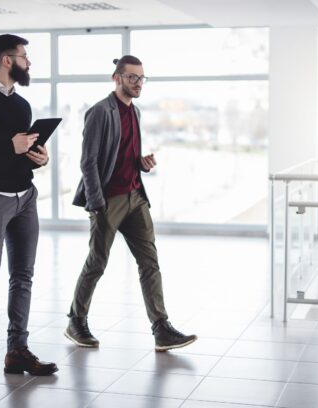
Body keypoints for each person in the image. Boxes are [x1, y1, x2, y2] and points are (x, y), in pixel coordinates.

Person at [66, 55, 197, 352]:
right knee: (97, 262)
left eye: (141, 78)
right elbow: (88, 162)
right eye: (132, 78)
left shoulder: (135, 112)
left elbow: (123, 154)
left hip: (135, 197)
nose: (138, 83)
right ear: (117, 78)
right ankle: (76, 320)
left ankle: (161, 327)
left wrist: (141, 163)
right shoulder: (100, 112)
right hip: (107, 200)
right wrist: (97, 203)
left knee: (150, 263)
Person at [0, 34, 58, 375]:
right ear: (7, 60)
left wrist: (37, 158)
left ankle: (17, 350)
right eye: (24, 56)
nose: (29, 62)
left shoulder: (22, 105)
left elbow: (19, 155)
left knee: (23, 276)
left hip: (25, 197)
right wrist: (8, 147)